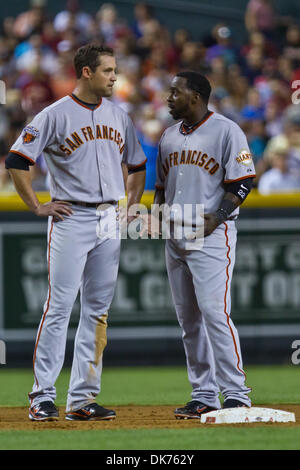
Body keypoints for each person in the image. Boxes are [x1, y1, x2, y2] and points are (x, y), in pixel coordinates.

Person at [5, 43, 146, 421]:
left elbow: (137, 164)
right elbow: (17, 159)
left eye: (115, 70)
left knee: (98, 312)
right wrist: (35, 205)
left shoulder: (119, 115)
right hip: (71, 217)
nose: (114, 76)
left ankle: (82, 399)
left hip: (108, 219)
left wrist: (131, 204)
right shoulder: (54, 115)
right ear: (86, 72)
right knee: (59, 308)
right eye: (107, 70)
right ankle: (42, 396)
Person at [153, 71, 256, 418]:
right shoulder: (168, 136)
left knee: (215, 313)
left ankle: (236, 394)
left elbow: (243, 181)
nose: (169, 98)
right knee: (190, 322)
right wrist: (154, 215)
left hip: (211, 236)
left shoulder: (227, 130)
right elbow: (160, 186)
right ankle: (203, 394)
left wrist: (220, 215)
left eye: (175, 92)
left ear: (195, 96)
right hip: (175, 237)